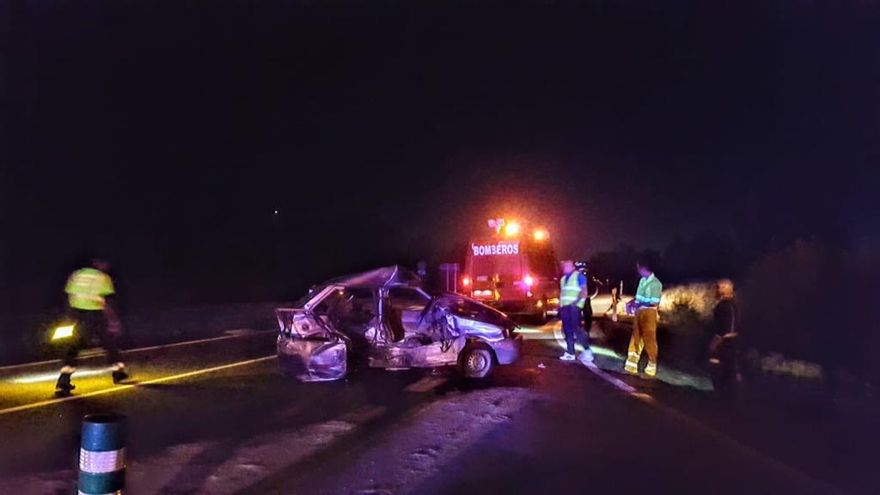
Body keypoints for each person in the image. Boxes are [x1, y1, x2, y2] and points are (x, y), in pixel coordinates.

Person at [54, 259, 128, 396]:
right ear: (101, 264)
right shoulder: (103, 277)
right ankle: (118, 372)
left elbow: (70, 297)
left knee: (73, 346)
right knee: (109, 341)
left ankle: (64, 379)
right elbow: (104, 303)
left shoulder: (77, 275)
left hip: (77, 314)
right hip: (95, 314)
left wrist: (69, 317)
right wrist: (113, 320)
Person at [624, 261, 663, 377]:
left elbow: (654, 303)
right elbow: (638, 298)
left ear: (644, 269)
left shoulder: (656, 284)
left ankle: (652, 364)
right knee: (636, 337)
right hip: (639, 312)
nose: (637, 271)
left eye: (638, 268)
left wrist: (638, 304)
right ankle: (631, 364)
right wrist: (631, 303)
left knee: (649, 339)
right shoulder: (642, 281)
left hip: (649, 314)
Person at [708, 279, 740, 391]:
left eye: (719, 287)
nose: (716, 290)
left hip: (725, 343)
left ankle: (721, 395)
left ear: (726, 289)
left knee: (718, 367)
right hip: (731, 342)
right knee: (728, 368)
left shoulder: (725, 305)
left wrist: (716, 341)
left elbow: (727, 326)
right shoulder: (733, 303)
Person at [558, 260, 593, 364]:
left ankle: (587, 351)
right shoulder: (563, 279)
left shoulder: (579, 276)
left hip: (574, 307)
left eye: (567, 266)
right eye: (564, 266)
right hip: (565, 308)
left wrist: (576, 302)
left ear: (573, 267)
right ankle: (570, 353)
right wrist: (559, 306)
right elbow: (562, 294)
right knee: (567, 330)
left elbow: (584, 291)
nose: (565, 267)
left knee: (576, 329)